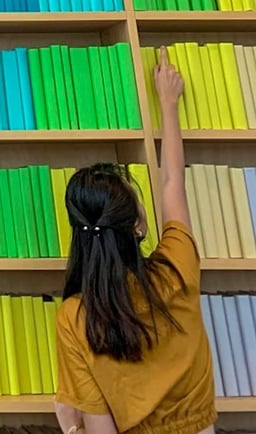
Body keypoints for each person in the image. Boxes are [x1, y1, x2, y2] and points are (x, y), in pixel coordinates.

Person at [52, 47, 216, 434]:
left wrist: (72, 428)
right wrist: (168, 103)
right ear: (138, 226)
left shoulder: (76, 319)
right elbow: (173, 181)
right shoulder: (178, 266)